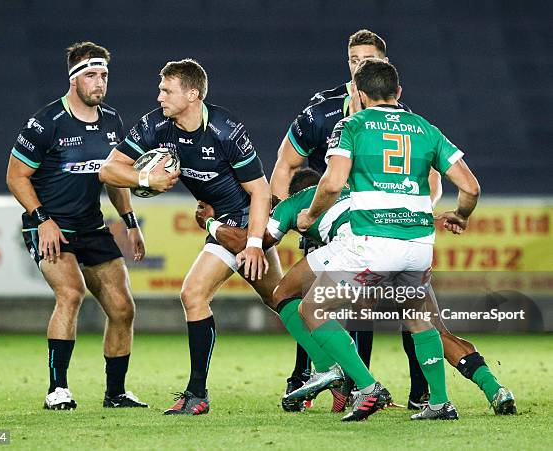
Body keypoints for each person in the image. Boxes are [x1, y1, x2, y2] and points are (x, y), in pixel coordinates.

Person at [198, 168, 515, 416]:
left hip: (359, 254)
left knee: (284, 294)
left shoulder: (295, 204)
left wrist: (211, 224)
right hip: (399, 250)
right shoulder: (358, 190)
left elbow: (248, 243)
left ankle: (332, 369)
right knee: (436, 331)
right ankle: (494, 390)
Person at [277, 58, 483, 422]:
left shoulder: (351, 125)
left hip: (372, 243)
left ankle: (368, 387)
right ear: (398, 93)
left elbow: (333, 182)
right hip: (419, 246)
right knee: (418, 318)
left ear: (358, 92)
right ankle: (439, 402)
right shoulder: (424, 128)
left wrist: (310, 215)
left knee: (313, 309)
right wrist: (461, 215)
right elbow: (470, 187)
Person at [99, 58, 282, 415]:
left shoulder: (226, 130)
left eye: (167, 90)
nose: (160, 96)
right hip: (219, 220)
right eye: (161, 89)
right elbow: (108, 169)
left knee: (265, 299)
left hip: (245, 222)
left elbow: (261, 192)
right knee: (278, 300)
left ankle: (322, 374)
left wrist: (256, 243)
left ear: (193, 94)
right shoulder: (157, 125)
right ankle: (321, 373)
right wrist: (145, 180)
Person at [270, 29, 438, 411]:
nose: (359, 65)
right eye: (353, 59)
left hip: (379, 228)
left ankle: (401, 389)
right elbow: (286, 163)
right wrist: (290, 210)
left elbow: (431, 180)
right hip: (327, 222)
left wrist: (413, 214)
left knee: (373, 309)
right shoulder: (323, 109)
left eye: (367, 59)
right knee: (313, 301)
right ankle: (319, 376)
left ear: (383, 64)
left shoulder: (402, 118)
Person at [6, 42, 149, 410]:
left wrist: (130, 221)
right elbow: (16, 176)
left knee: (123, 308)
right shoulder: (45, 123)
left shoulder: (113, 122)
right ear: (73, 79)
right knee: (70, 294)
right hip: (49, 225)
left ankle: (115, 393)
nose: (99, 82)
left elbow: (115, 178)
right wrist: (43, 220)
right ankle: (58, 389)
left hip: (91, 226)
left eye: (103, 74)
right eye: (91, 74)